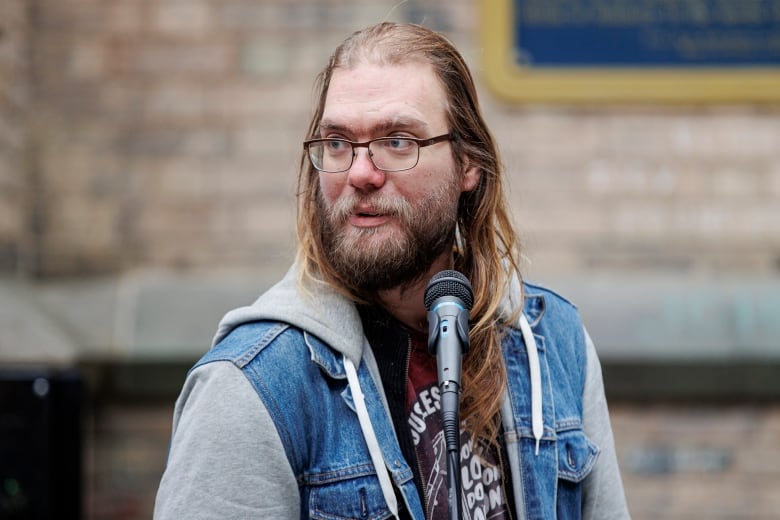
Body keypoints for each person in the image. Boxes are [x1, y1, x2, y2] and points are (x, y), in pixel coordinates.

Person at [154, 22, 630, 520]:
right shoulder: (250, 388)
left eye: (398, 141)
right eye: (337, 143)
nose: (360, 172)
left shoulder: (551, 343)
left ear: (469, 164)